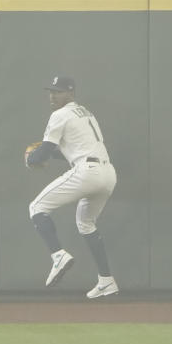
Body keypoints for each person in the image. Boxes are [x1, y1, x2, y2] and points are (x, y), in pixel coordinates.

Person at [25, 75, 118, 299]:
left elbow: (44, 152)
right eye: (51, 91)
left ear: (71, 93)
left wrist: (31, 158)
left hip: (87, 172)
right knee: (86, 224)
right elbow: (69, 150)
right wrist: (42, 155)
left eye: (58, 91)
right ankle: (107, 281)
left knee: (37, 207)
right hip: (108, 173)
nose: (53, 95)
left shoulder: (60, 114)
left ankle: (58, 256)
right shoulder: (85, 112)